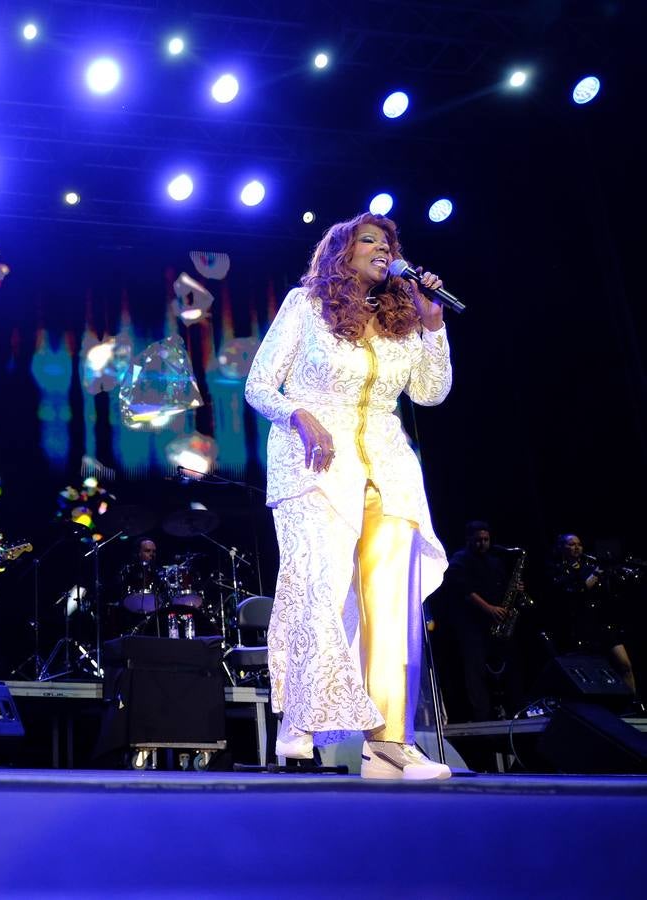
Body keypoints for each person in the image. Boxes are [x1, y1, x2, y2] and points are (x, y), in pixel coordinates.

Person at [244, 212, 453, 780]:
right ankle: (300, 717)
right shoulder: (305, 306)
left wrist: (434, 327)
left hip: (388, 466)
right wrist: (299, 413)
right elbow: (259, 384)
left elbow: (431, 395)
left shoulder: (402, 318)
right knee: (321, 589)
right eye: (370, 240)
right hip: (313, 463)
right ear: (342, 251)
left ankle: (387, 744)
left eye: (390, 243)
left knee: (390, 606)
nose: (383, 250)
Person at [434, 521, 524, 722]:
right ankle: (482, 716)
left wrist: (515, 589)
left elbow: (502, 586)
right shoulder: (459, 560)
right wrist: (489, 608)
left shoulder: (494, 560)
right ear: (469, 540)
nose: (482, 544)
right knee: (475, 672)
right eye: (478, 540)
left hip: (496, 625)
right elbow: (464, 590)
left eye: (486, 540)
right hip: (471, 626)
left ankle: (512, 709)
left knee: (507, 668)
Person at [547, 533, 637, 700]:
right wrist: (596, 573)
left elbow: (608, 594)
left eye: (579, 544)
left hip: (602, 622)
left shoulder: (588, 565)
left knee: (625, 664)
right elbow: (576, 591)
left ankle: (632, 704)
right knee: (595, 673)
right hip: (580, 628)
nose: (576, 547)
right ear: (561, 548)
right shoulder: (558, 569)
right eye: (571, 544)